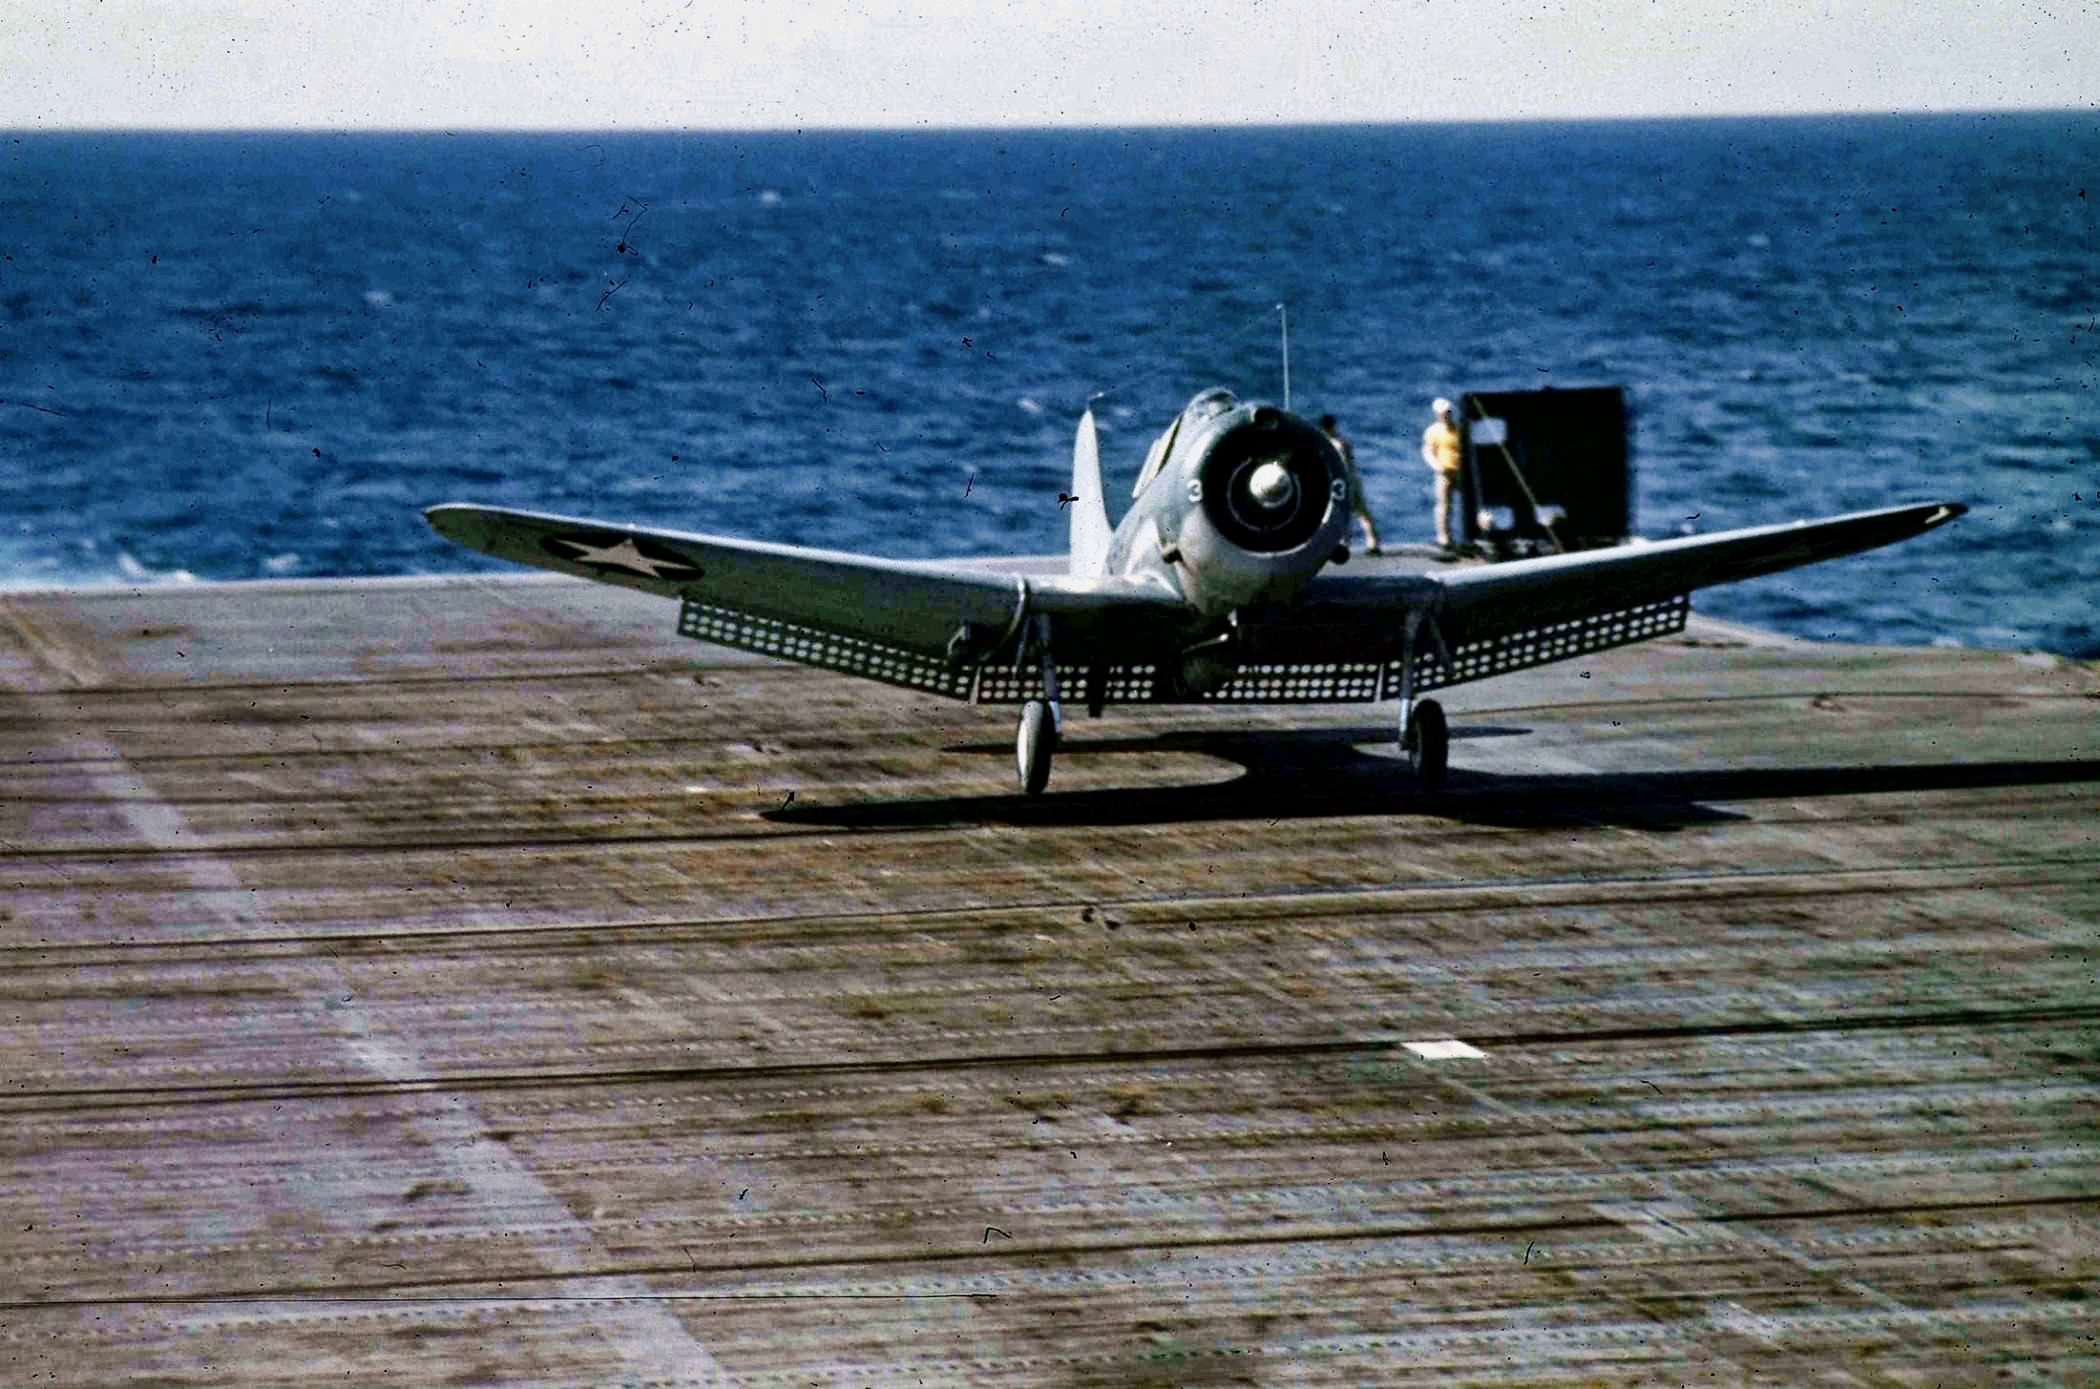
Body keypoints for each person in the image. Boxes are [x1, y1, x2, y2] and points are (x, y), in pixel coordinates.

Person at [1318, 414, 1381, 554]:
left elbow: (1342, 465)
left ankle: (1344, 543)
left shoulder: (1333, 444)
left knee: (1343, 514)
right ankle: (1373, 543)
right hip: (1353, 480)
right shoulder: (1343, 442)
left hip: (1343, 483)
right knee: (1362, 513)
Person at [1420, 397, 1463, 550]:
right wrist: (1437, 466)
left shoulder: (1459, 429)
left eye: (1448, 413)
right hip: (1444, 473)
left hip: (1460, 472)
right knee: (1443, 505)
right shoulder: (1433, 431)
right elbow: (1428, 451)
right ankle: (1443, 537)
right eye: (1443, 413)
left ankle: (1468, 534)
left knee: (1467, 503)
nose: (1446, 416)